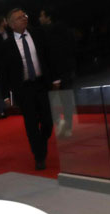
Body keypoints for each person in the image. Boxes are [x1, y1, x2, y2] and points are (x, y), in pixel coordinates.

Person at [0, 7, 59, 170]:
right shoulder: (6, 45)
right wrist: (6, 96)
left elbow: (49, 56)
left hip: (41, 84)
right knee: (31, 124)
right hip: (24, 89)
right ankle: (39, 156)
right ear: (11, 24)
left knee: (47, 121)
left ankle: (42, 142)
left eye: (24, 16)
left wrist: (55, 78)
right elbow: (4, 73)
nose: (24, 18)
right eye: (19, 18)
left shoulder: (38, 34)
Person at [40, 8, 77, 138]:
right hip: (67, 69)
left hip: (55, 72)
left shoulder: (45, 33)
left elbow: (48, 54)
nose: (40, 18)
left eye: (42, 16)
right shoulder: (65, 29)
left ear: (48, 17)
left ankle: (61, 123)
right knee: (67, 101)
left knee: (50, 101)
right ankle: (68, 127)